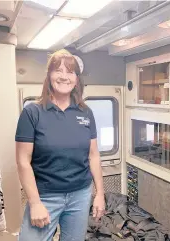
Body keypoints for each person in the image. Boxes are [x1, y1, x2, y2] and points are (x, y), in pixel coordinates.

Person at [15, 49, 105, 241]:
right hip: (45, 196)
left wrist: (99, 194)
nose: (64, 76)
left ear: (76, 79)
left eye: (70, 72)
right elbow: (23, 161)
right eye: (58, 70)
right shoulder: (32, 113)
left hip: (80, 195)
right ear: (49, 76)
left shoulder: (86, 113)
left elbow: (93, 155)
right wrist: (35, 202)